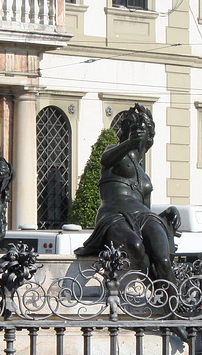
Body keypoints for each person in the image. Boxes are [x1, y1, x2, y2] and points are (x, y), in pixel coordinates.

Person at [74, 104, 180, 283]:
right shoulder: (115, 153)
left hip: (144, 215)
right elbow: (104, 159)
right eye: (134, 128)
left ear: (149, 136)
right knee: (135, 245)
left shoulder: (144, 175)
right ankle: (156, 291)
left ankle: (174, 305)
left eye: (143, 129)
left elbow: (147, 207)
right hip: (114, 215)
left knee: (162, 259)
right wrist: (129, 143)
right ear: (127, 133)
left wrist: (168, 212)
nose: (138, 132)